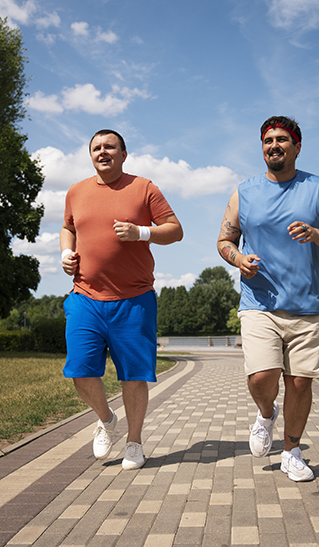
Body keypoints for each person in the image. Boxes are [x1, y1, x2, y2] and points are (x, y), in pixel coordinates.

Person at [217, 116, 319, 481]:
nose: (273, 145)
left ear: (297, 146)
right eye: (267, 140)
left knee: (300, 382)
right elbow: (224, 241)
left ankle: (292, 451)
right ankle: (265, 414)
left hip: (309, 303)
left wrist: (317, 234)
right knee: (263, 376)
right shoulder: (244, 192)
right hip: (259, 301)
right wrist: (239, 259)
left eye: (281, 139)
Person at [60, 129, 183, 470]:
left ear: (124, 154)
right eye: (97, 148)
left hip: (134, 299)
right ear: (91, 155)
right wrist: (66, 253)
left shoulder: (143, 188)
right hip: (85, 295)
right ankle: (106, 419)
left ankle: (134, 442)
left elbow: (175, 230)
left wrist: (141, 232)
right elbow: (68, 227)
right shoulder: (76, 191)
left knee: (133, 375)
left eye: (110, 147)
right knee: (80, 371)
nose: (103, 152)